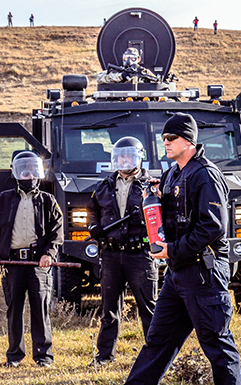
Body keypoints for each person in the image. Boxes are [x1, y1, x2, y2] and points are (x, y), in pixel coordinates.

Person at [124, 113, 241, 385]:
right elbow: (170, 217)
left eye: (170, 138)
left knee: (217, 344)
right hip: (177, 274)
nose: (164, 142)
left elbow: (212, 228)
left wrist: (172, 249)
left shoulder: (205, 175)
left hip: (203, 273)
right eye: (163, 138)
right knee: (158, 342)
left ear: (188, 141)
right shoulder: (172, 173)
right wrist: (153, 198)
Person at [0, 151, 64, 368]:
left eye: (33, 171)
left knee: (41, 310)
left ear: (39, 173)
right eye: (24, 171)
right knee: (14, 310)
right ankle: (14, 356)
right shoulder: (2, 200)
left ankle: (43, 356)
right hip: (12, 264)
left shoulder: (49, 201)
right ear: (16, 173)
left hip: (39, 265)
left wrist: (49, 254)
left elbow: (57, 232)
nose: (29, 176)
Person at [88, 137, 157, 366]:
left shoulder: (152, 185)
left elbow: (162, 217)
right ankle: (105, 356)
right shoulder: (104, 185)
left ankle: (156, 357)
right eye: (120, 157)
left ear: (138, 157)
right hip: (110, 255)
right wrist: (93, 226)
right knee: (109, 310)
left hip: (140, 255)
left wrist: (146, 217)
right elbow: (93, 210)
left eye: (128, 156)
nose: (124, 160)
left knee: (148, 309)